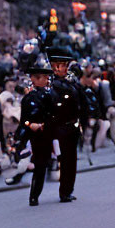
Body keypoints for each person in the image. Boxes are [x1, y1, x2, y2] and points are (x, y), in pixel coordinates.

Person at [14, 55, 55, 206]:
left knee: (44, 164)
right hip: (34, 136)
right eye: (43, 77)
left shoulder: (51, 96)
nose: (46, 80)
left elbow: (54, 116)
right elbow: (23, 119)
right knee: (40, 165)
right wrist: (30, 124)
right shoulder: (28, 98)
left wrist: (44, 124)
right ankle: (34, 196)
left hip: (48, 132)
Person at [48, 47, 85, 202]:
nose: (61, 68)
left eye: (64, 65)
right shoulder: (52, 84)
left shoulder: (71, 82)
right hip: (59, 126)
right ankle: (63, 191)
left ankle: (68, 189)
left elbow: (81, 100)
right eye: (58, 65)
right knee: (63, 159)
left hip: (72, 125)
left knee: (72, 159)